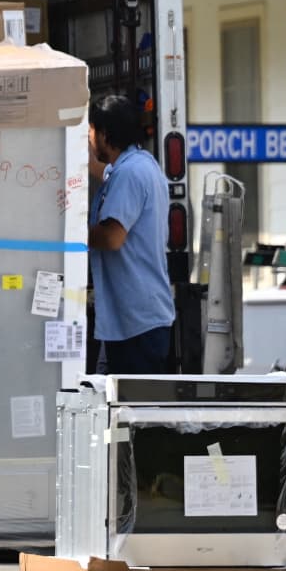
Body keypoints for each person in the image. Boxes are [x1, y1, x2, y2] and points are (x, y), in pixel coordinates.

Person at [87, 93, 175, 374]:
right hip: (128, 321)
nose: (89, 138)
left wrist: (66, 235)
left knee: (127, 411)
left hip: (136, 324)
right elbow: (107, 174)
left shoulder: (130, 174)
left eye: (90, 131)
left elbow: (113, 237)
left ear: (104, 134)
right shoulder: (139, 165)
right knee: (107, 404)